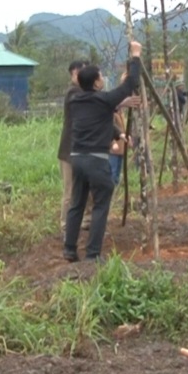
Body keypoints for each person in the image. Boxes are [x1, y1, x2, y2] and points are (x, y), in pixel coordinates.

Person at [63, 41, 142, 262]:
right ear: (97, 83)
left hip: (77, 159)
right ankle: (93, 254)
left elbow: (99, 119)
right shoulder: (104, 100)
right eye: (101, 76)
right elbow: (130, 86)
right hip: (97, 161)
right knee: (100, 204)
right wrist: (136, 56)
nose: (103, 79)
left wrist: (117, 134)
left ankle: (69, 249)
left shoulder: (76, 100)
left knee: (77, 204)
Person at [58, 60, 89, 231]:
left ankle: (83, 220)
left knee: (84, 188)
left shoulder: (84, 92)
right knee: (70, 190)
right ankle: (65, 224)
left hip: (82, 150)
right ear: (73, 74)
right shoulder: (73, 93)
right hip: (69, 150)